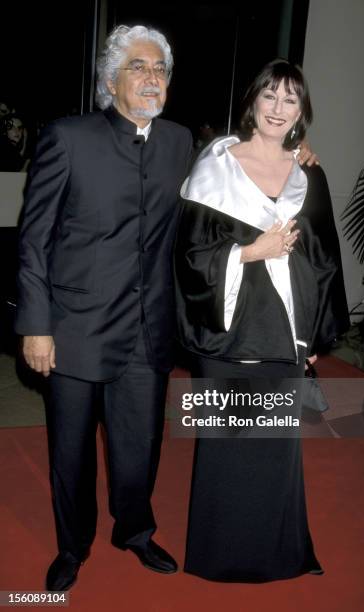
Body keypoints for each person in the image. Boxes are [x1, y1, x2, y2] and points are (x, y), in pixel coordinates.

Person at [15, 24, 192, 591]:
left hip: (148, 326)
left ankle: (134, 531)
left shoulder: (179, 142)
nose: (151, 78)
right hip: (76, 326)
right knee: (71, 448)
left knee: (139, 444)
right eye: (138, 67)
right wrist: (36, 325)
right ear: (111, 79)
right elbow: (34, 238)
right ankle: (73, 545)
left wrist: (294, 153)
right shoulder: (69, 137)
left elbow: (231, 180)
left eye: (159, 69)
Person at [174, 58, 349, 582]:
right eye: (269, 96)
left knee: (275, 448)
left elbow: (324, 260)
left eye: (290, 99)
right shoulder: (214, 169)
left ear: (302, 112)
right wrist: (251, 252)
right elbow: (187, 258)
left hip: (285, 334)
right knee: (227, 447)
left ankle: (278, 552)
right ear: (252, 102)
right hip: (228, 332)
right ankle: (218, 555)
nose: (278, 108)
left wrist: (314, 331)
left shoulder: (309, 174)